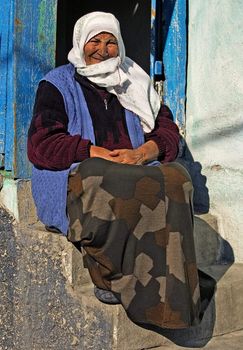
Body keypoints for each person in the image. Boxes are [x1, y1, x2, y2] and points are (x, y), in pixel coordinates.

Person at [28, 12, 201, 330]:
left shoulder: (134, 81)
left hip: (133, 169)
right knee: (103, 177)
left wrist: (143, 152)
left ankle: (173, 296)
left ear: (119, 46)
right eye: (95, 41)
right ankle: (109, 276)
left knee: (178, 178)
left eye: (111, 42)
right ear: (81, 45)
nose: (102, 49)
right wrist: (93, 152)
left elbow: (167, 132)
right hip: (83, 176)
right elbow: (42, 144)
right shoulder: (57, 84)